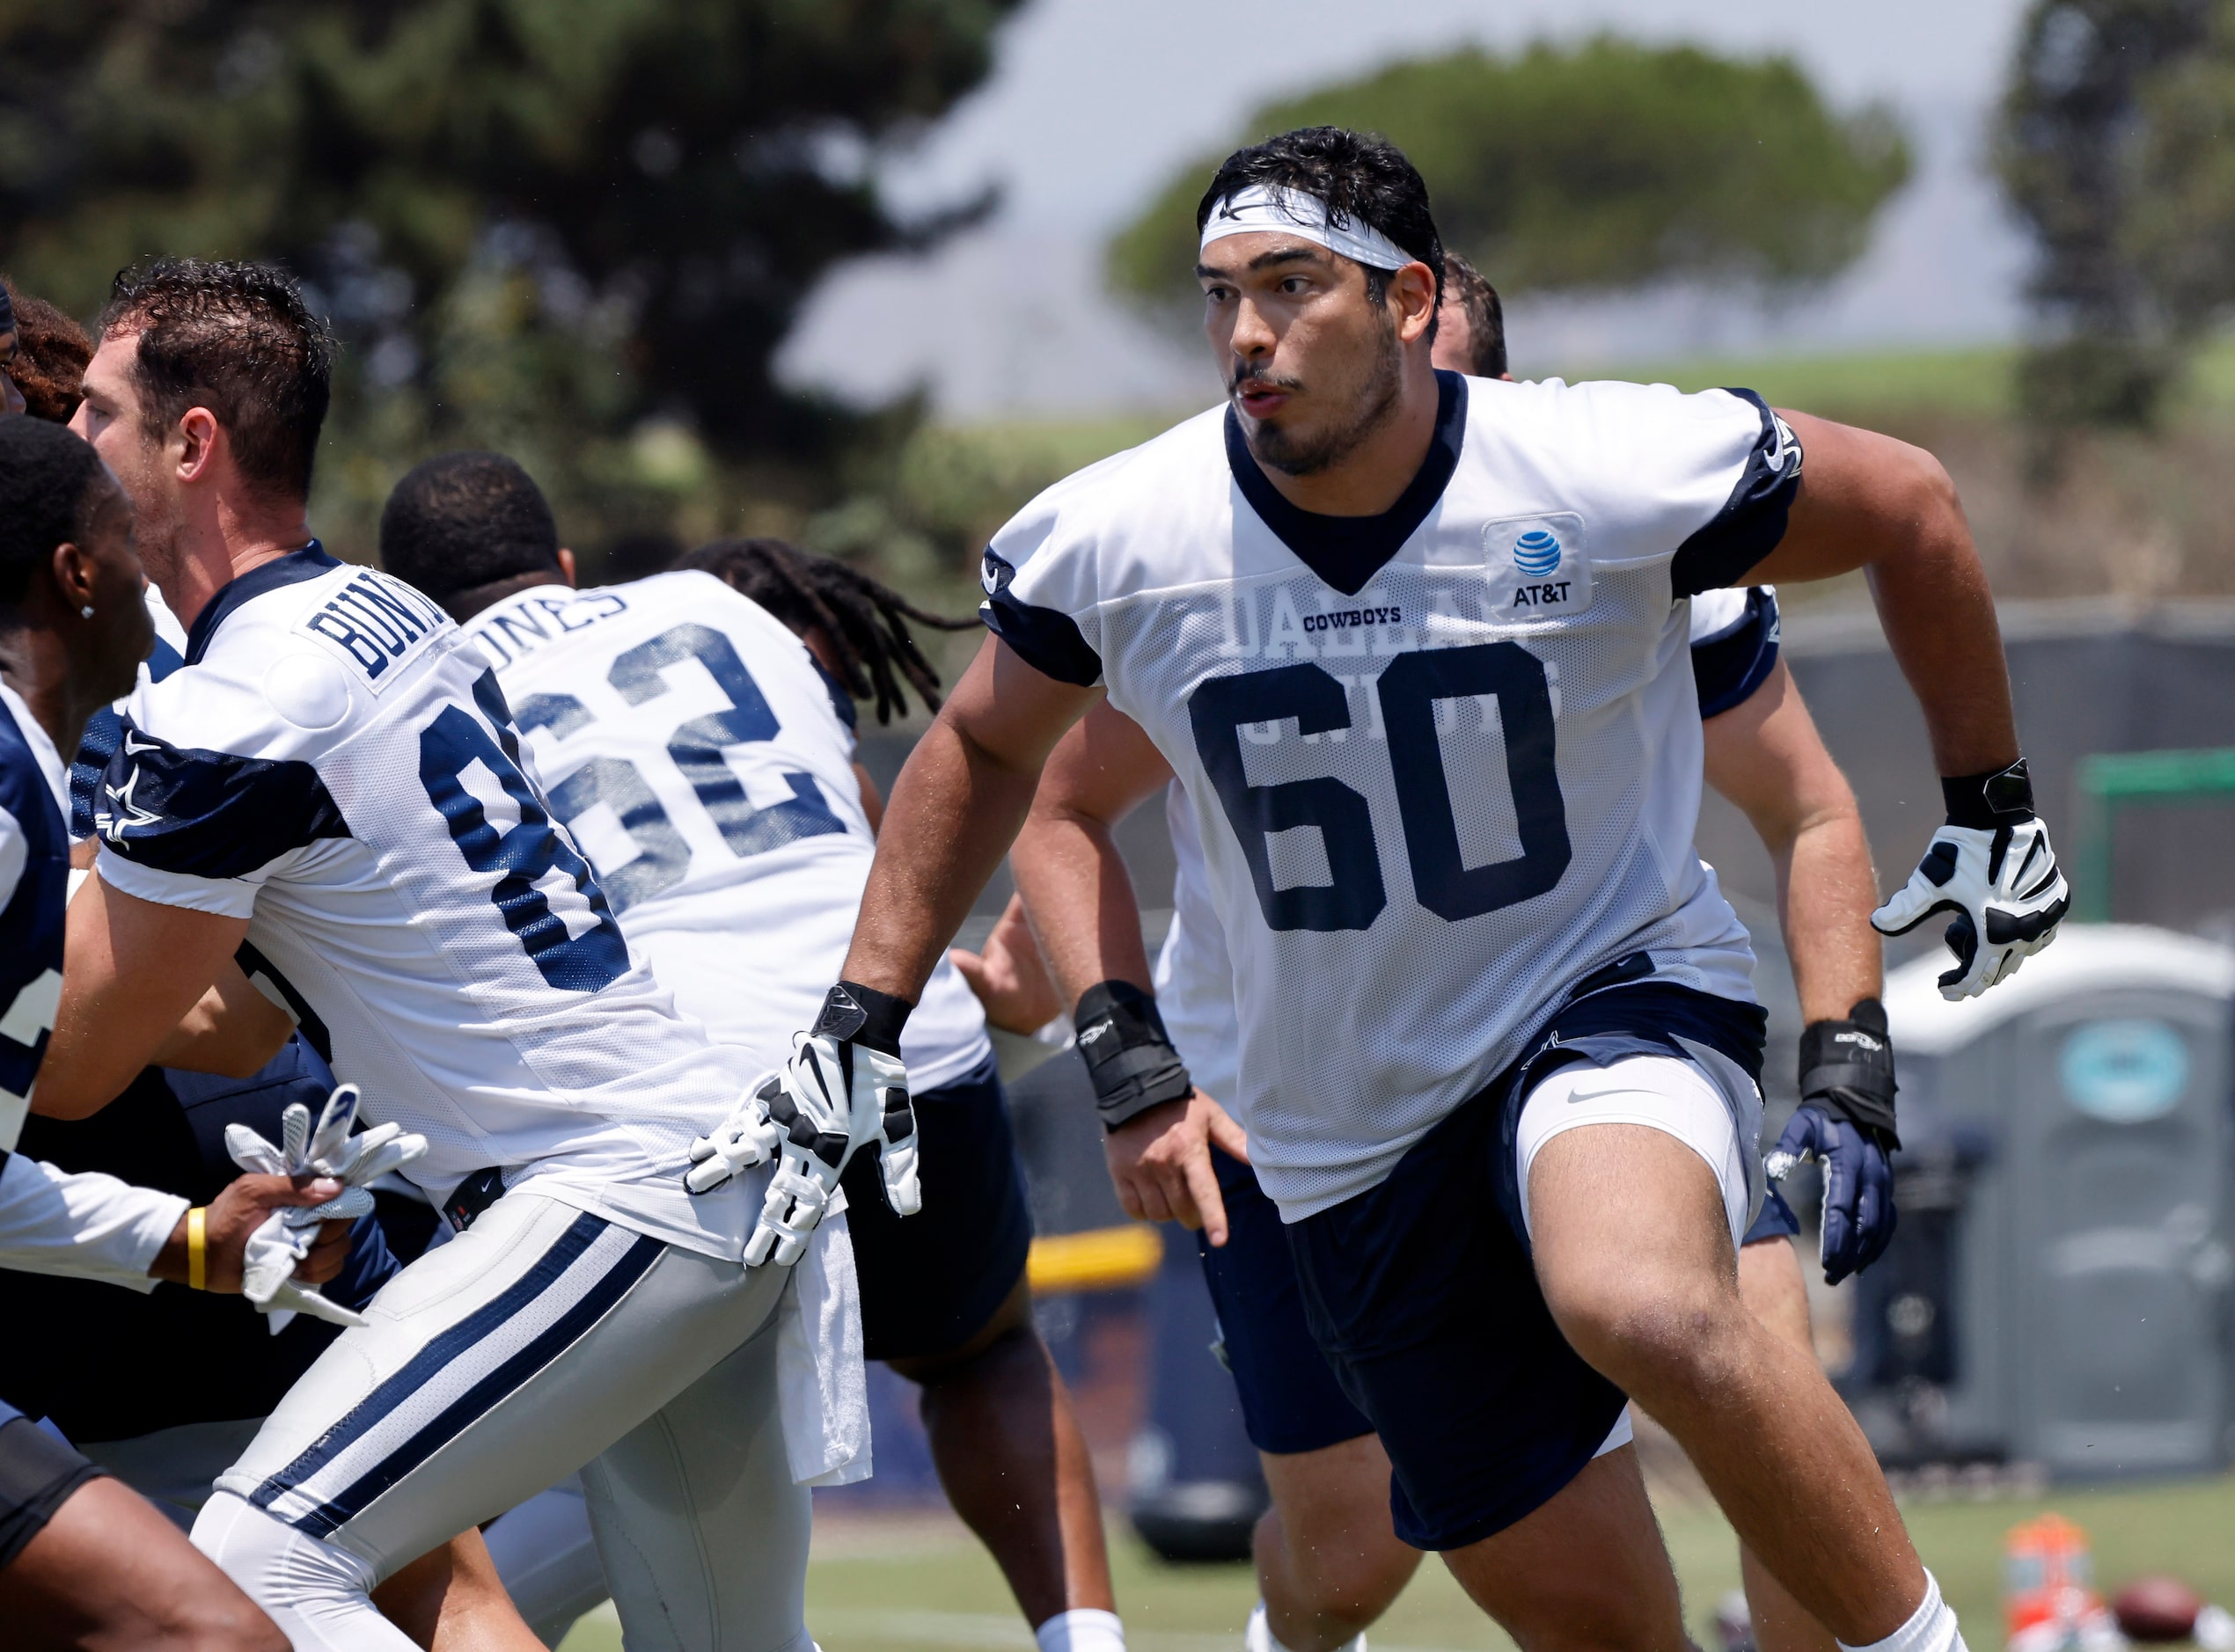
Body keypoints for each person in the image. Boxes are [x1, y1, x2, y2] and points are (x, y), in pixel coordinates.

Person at [690, 126, 2070, 1652]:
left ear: (1413, 306)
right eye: (1222, 295)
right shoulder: (1134, 540)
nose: (1246, 334)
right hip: (1338, 1126)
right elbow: (988, 754)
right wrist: (872, 1013)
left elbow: (1914, 509)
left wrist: (1988, 811)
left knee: (1645, 1297)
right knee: (1556, 1607)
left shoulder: (1602, 472)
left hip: (1600, 992)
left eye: (1290, 287)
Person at [962, 250, 1866, 1652]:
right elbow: (1058, 807)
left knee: (1751, 1368)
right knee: (1349, 1550)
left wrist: (1847, 1053)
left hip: (1589, 1029)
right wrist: (1122, 1042)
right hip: (1307, 1106)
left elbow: (1809, 803)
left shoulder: (1623, 539)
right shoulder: (1221, 572)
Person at [52, 256, 868, 1652]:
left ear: (192, 444)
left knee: (262, 1563)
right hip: (703, 1163)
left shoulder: (242, 700)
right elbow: (249, 1015)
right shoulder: (381, 612)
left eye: (95, 412)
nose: (67, 442)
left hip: (601, 1189)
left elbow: (68, 1067)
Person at [376, 450, 1129, 1652]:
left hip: (691, 1093)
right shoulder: (716, 606)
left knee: (624, 1450)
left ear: (405, 603)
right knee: (979, 1349)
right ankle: (1084, 1639)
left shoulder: (416, 691)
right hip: (899, 1035)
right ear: (564, 568)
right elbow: (874, 836)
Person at [0, 413, 360, 1652]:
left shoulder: (39, 786)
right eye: (127, 543)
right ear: (77, 573)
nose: (163, 581)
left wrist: (193, 1239)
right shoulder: (6, 788)